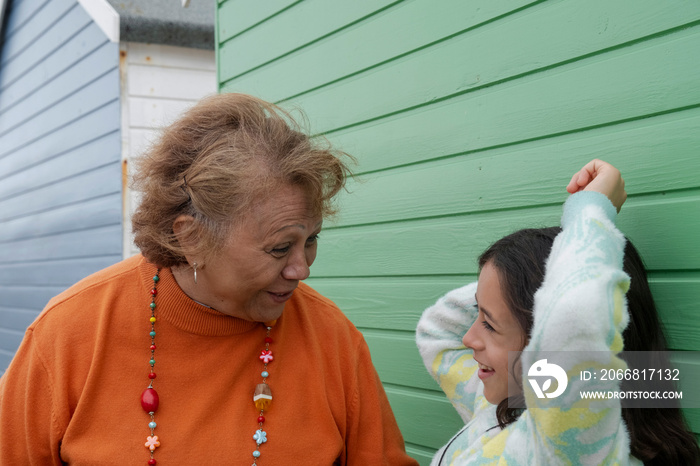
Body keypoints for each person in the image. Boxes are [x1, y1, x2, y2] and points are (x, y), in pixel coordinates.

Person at [0, 93, 419, 465]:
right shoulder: (69, 334)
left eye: (310, 240)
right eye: (279, 247)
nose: (301, 269)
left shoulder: (333, 340)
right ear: (192, 237)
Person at [416, 160, 700, 465]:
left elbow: (574, 320)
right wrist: (519, 278)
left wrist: (589, 210)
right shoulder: (499, 402)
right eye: (478, 314)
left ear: (545, 337)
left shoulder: (573, 448)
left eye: (489, 324)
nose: (468, 337)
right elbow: (437, 331)